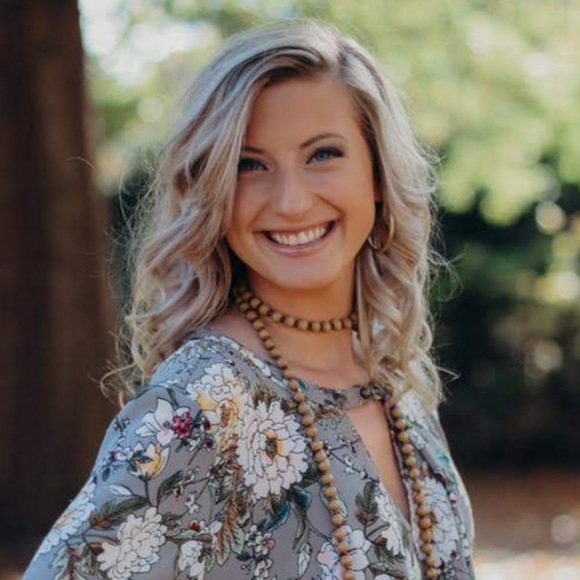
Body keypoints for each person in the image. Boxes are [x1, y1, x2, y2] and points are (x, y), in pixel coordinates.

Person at [25, 19, 475, 580]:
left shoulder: (395, 386)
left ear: (378, 176)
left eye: (323, 155)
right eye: (249, 164)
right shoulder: (203, 405)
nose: (290, 202)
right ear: (212, 188)